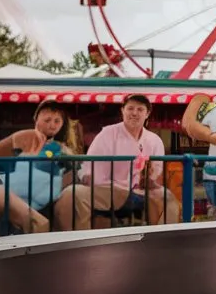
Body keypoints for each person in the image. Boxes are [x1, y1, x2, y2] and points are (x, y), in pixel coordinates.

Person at [53, 95, 180, 229]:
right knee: (72, 193)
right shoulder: (107, 133)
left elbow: (157, 171)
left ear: (147, 114)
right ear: (122, 111)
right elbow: (88, 166)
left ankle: (162, 241)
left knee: (168, 198)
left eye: (140, 110)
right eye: (130, 108)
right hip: (108, 188)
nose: (134, 113)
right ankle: (79, 241)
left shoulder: (155, 140)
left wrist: (150, 179)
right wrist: (87, 176)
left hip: (141, 191)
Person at [0, 100, 80, 236]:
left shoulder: (62, 150)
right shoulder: (22, 141)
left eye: (57, 121)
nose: (52, 125)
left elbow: (71, 174)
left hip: (36, 190)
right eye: (47, 120)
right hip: (9, 185)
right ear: (36, 119)